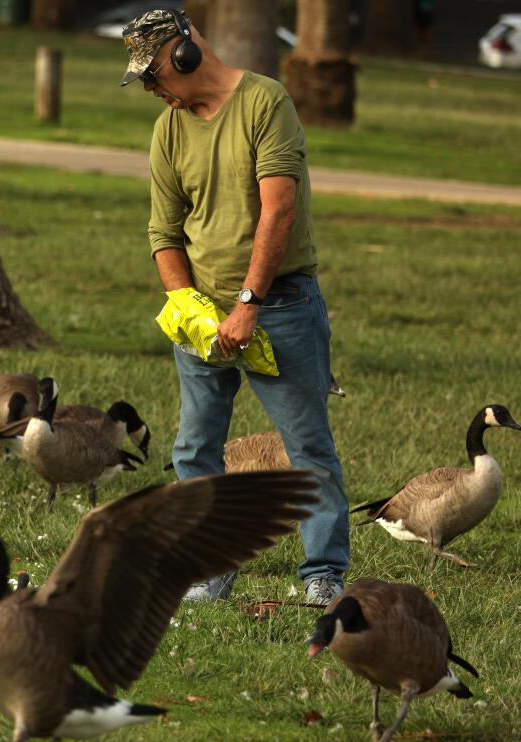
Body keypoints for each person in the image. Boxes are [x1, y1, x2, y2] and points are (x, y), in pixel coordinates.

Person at [120, 9, 349, 604]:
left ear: (186, 53)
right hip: (202, 312)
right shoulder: (168, 128)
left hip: (279, 305)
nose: (152, 90)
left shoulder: (265, 103)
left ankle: (323, 574)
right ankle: (210, 568)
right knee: (194, 448)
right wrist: (186, 305)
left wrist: (248, 304)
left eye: (153, 75)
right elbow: (164, 231)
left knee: (306, 448)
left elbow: (279, 210)